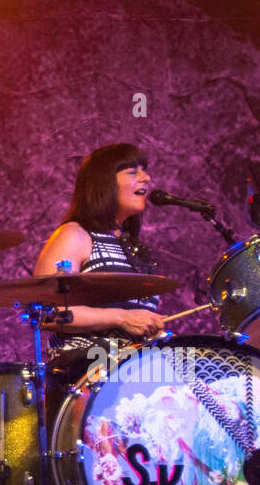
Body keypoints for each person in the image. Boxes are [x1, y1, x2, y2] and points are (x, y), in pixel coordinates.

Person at [34, 142, 168, 364]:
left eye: (145, 170)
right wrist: (120, 318)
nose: (147, 178)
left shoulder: (132, 247)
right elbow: (46, 311)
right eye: (133, 172)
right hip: (87, 370)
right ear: (104, 184)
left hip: (135, 369)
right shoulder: (76, 235)